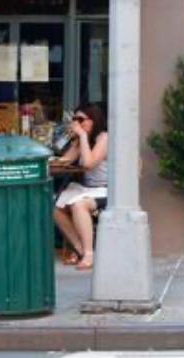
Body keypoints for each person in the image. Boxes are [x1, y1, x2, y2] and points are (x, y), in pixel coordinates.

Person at [52, 103, 108, 272]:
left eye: (81, 119)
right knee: (54, 206)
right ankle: (80, 248)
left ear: (93, 120)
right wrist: (73, 140)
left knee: (79, 205)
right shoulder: (83, 139)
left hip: (105, 189)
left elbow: (89, 164)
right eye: (74, 119)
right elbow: (65, 160)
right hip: (87, 188)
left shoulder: (103, 138)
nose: (77, 123)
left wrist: (83, 136)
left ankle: (89, 254)